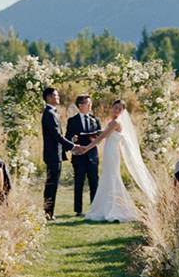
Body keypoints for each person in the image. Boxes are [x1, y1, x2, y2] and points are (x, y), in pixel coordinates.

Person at [80, 100, 157, 222]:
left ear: (122, 111)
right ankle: (108, 206)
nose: (116, 110)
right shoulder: (114, 122)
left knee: (111, 178)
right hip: (109, 152)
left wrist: (86, 148)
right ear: (112, 107)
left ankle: (116, 209)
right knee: (109, 177)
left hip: (112, 153)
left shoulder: (116, 122)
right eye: (115, 107)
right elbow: (105, 134)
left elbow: (102, 137)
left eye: (119, 109)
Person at [40, 87, 75, 220]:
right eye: (56, 95)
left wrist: (70, 142)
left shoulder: (52, 112)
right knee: (51, 184)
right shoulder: (49, 113)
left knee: (52, 184)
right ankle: (48, 213)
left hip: (56, 153)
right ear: (48, 97)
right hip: (52, 154)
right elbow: (56, 135)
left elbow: (58, 136)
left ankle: (49, 212)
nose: (58, 97)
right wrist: (72, 146)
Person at [66, 95, 101, 216]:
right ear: (80, 105)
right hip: (79, 155)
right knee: (79, 183)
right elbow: (67, 138)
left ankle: (95, 208)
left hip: (92, 155)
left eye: (90, 103)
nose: (90, 105)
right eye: (88, 103)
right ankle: (78, 210)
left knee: (94, 183)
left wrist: (95, 138)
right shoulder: (72, 121)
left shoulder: (95, 119)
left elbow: (100, 136)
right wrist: (72, 139)